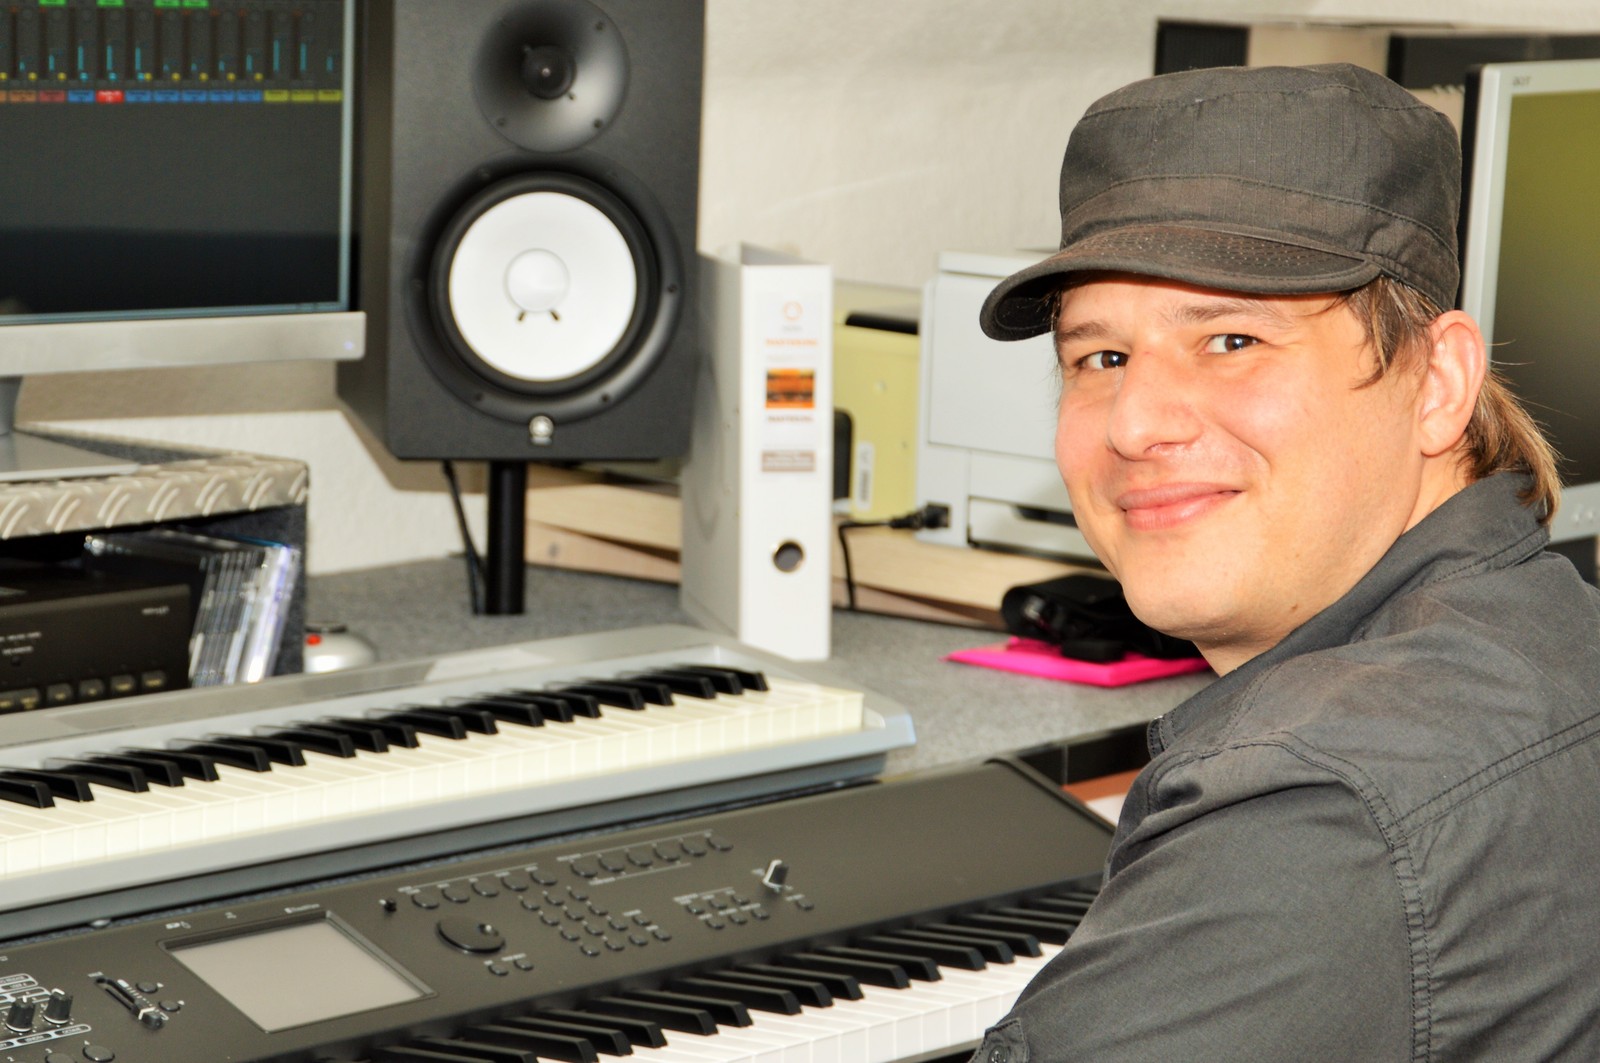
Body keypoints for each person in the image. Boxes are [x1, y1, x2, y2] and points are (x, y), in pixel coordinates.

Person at [970, 63, 1600, 1061]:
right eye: (1101, 358)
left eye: (1231, 339)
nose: (1133, 423)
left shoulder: (1317, 802)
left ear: (1437, 382)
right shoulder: (1555, 633)